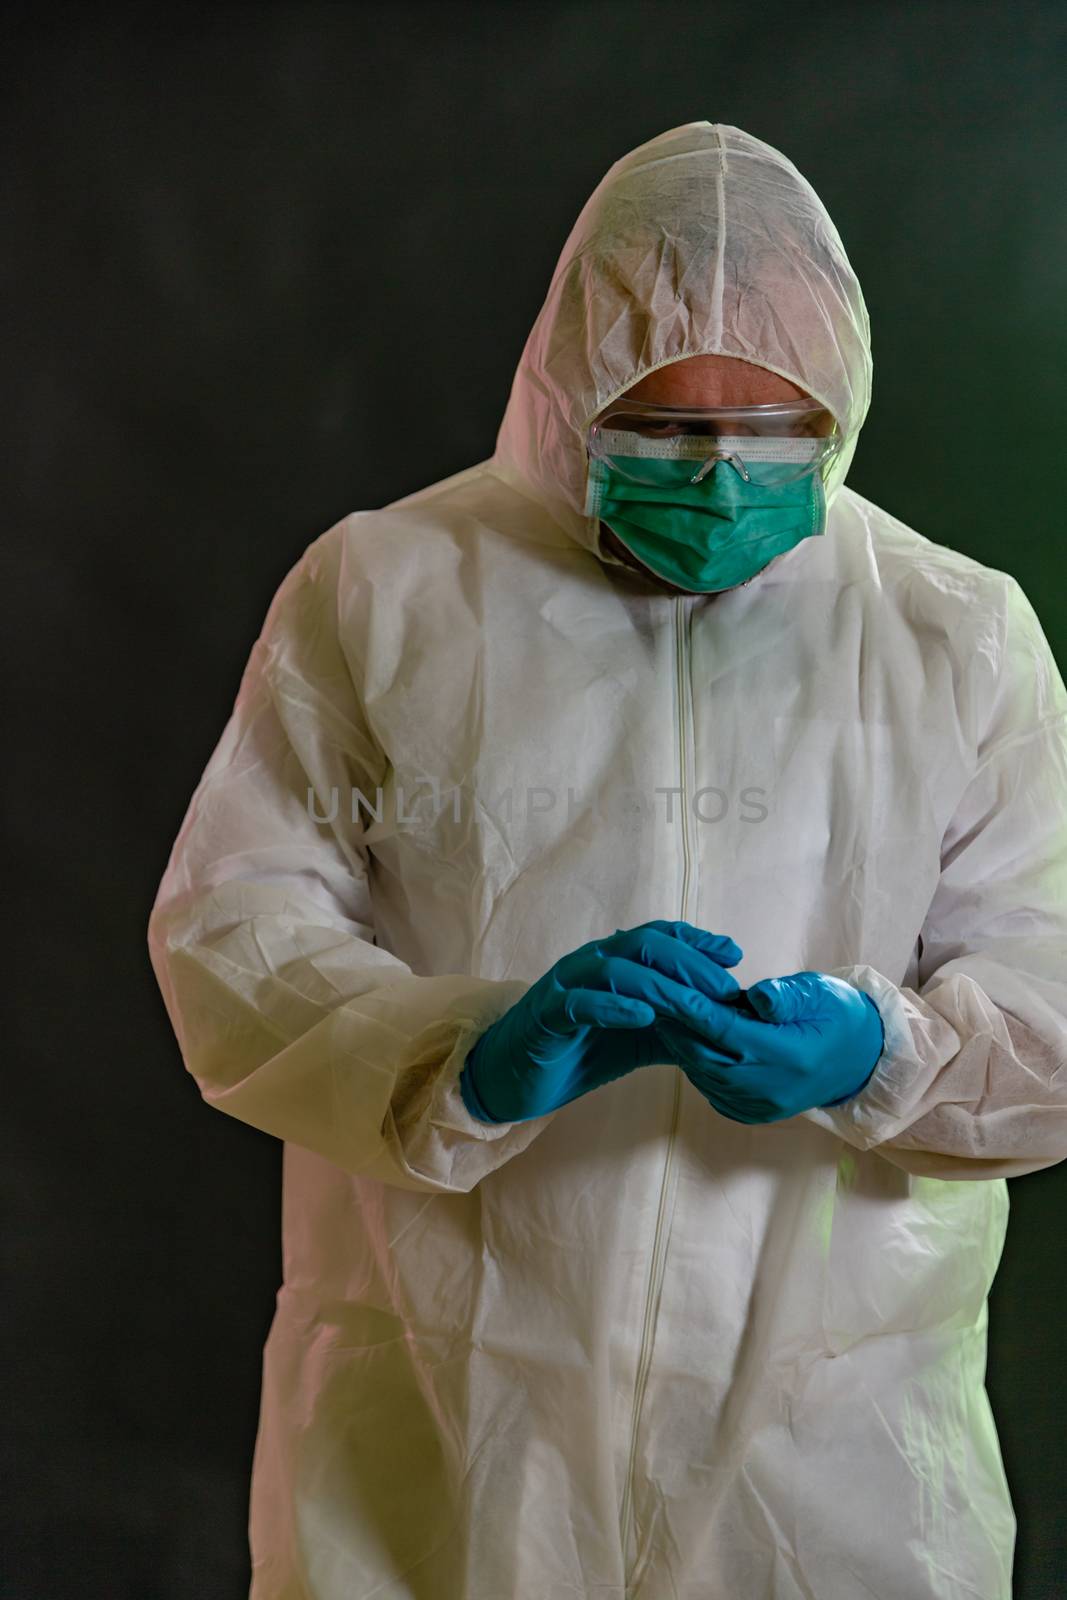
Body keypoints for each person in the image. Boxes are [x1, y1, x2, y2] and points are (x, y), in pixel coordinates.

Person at [147, 120, 1067, 1600]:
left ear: (839, 408)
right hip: (449, 1424)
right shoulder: (389, 593)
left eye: (770, 435)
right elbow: (231, 930)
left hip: (830, 1462)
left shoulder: (953, 635)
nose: (715, 478)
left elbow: (1054, 991)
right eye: (662, 428)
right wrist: (460, 1057)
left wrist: (881, 1057)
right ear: (568, 394)